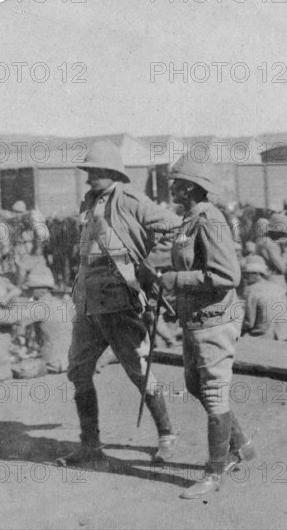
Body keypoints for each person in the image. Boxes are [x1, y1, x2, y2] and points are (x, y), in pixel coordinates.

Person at [58, 139, 182, 467]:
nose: (87, 178)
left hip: (118, 300)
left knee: (138, 369)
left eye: (93, 172)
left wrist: (148, 268)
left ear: (111, 172)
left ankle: (167, 435)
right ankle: (90, 444)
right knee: (78, 371)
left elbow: (177, 229)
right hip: (88, 303)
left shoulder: (129, 200)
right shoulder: (91, 202)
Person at [160, 159, 256, 499]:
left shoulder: (210, 220)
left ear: (189, 187)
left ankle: (214, 472)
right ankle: (241, 444)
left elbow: (229, 276)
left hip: (215, 320)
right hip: (195, 318)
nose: (170, 188)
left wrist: (176, 279)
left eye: (175, 183)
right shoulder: (190, 219)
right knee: (194, 384)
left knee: (213, 391)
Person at [22, 265, 73, 373]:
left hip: (52, 361)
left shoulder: (40, 306)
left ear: (39, 289)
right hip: (69, 359)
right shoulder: (61, 303)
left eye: (31, 288)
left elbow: (18, 320)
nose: (29, 292)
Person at [241, 255, 287, 341]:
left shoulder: (250, 291)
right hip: (285, 334)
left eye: (246, 274)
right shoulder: (278, 288)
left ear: (256, 273)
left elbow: (249, 323)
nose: (244, 277)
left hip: (264, 336)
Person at [255, 213, 287, 293]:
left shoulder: (263, 239)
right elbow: (282, 268)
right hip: (273, 281)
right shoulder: (269, 244)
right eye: (283, 233)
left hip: (265, 279)